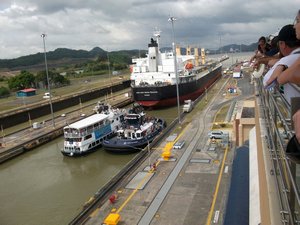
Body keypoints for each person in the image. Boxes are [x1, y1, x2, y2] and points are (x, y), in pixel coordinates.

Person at [263, 24, 300, 104]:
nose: (295, 26)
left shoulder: (286, 60)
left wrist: (282, 64)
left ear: (282, 44)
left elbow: (267, 82)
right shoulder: (291, 59)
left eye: (298, 20)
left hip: (293, 110)